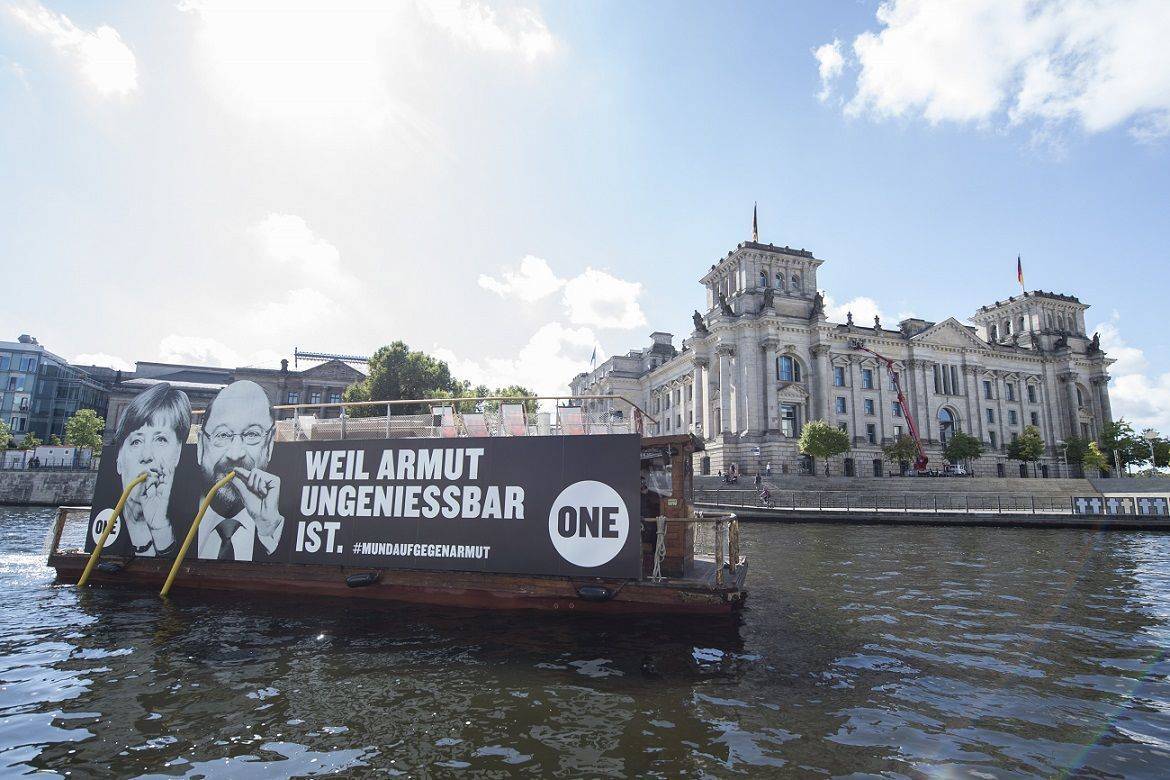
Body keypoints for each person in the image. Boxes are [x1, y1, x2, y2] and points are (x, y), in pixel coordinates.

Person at [96, 382, 192, 557]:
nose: (147, 455)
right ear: (118, 457)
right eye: (136, 441)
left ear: (179, 452)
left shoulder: (190, 528)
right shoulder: (105, 516)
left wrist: (161, 529)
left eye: (161, 439)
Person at [196, 380, 284, 561]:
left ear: (269, 446)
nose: (235, 454)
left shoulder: (278, 524)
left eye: (252, 434)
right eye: (222, 435)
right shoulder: (165, 516)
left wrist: (268, 533)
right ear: (200, 446)